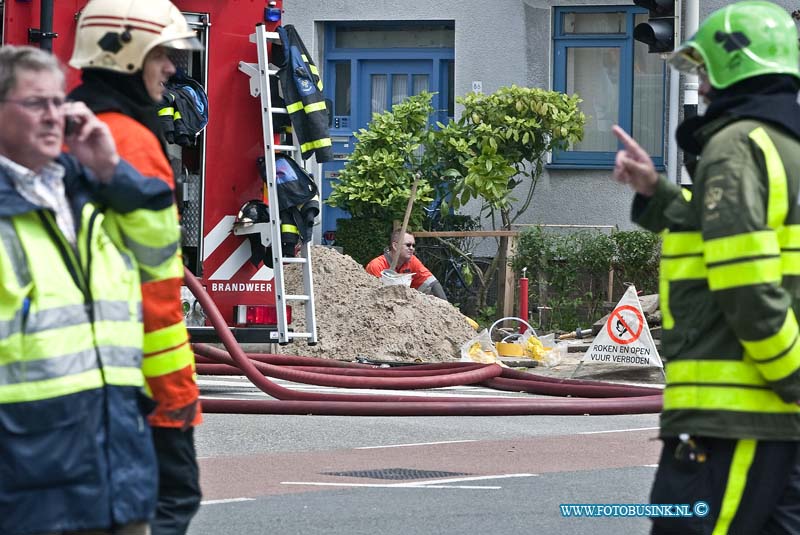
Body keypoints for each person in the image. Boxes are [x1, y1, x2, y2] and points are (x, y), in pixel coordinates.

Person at [612, 2, 800, 533]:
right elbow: (723, 230)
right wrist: (655, 190)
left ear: (736, 67)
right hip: (769, 419)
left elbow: (746, 281)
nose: (703, 88)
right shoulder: (784, 145)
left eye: (705, 72)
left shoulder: (735, 145)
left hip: (732, 417)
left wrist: (794, 376)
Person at [0, 44, 173, 535]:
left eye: (60, 102)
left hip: (116, 474)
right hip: (29, 487)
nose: (54, 116)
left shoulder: (89, 190)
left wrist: (111, 171)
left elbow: (159, 253)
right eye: (36, 103)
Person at [68, 1, 203, 533]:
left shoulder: (75, 120)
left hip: (87, 379)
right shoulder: (130, 143)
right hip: (144, 379)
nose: (171, 68)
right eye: (160, 54)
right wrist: (172, 394)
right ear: (124, 56)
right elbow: (156, 292)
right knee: (166, 504)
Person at [365, 229, 447, 300]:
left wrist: (447, 307)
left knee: (429, 292)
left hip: (406, 306)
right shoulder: (376, 266)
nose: (412, 248)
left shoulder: (412, 260)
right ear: (395, 246)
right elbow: (374, 296)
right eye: (408, 245)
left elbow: (432, 283)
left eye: (413, 245)